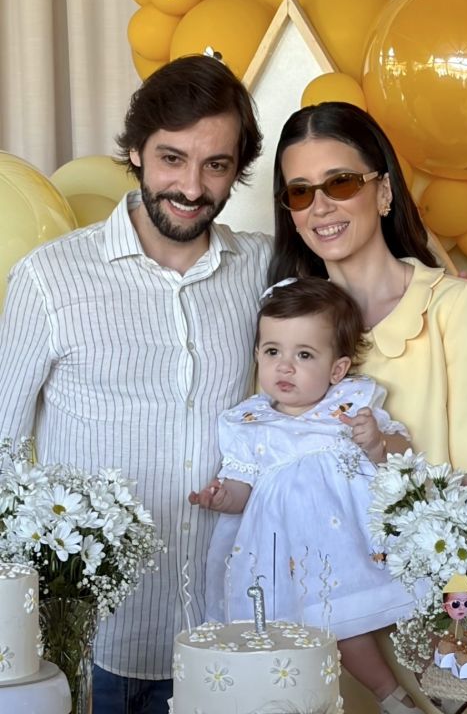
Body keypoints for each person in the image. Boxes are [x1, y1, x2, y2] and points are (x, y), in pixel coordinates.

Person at [0, 55, 272, 714]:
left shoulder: (262, 267)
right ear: (136, 153)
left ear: (238, 168)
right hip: (93, 644)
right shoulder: (49, 278)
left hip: (225, 635)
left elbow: (369, 293)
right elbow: (4, 449)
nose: (190, 186)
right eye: (171, 158)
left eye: (216, 165)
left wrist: (454, 296)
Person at [192, 276, 425, 714]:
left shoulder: (350, 405)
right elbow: (243, 487)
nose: (284, 367)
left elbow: (403, 454)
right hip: (295, 560)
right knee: (337, 626)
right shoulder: (250, 424)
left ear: (337, 370)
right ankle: (392, 698)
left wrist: (376, 443)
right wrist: (222, 497)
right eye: (272, 351)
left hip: (360, 541)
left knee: (408, 609)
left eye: (304, 355)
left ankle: (441, 684)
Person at [269, 101, 467, 470]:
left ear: (384, 191)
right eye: (300, 192)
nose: (320, 207)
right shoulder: (280, 323)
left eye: (340, 183)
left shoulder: (457, 308)